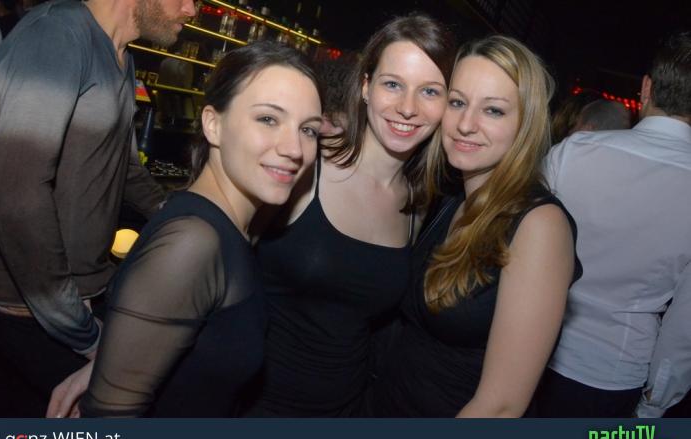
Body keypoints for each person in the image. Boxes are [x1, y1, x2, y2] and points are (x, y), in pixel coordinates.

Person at [47, 41, 323, 418]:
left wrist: (120, 357)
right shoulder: (192, 243)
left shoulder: (236, 228)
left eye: (308, 129)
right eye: (268, 119)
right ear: (213, 124)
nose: (294, 148)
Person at [244, 14, 456, 417]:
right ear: (365, 86)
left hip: (344, 412)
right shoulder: (305, 162)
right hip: (252, 407)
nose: (407, 108)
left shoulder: (419, 201)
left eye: (430, 91)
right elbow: (216, 258)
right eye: (392, 84)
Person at [0, 0, 195, 417]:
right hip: (26, 311)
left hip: (78, 301)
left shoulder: (122, 56)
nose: (192, 10)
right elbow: (15, 197)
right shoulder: (56, 35)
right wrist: (79, 330)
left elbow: (124, 168)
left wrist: (185, 217)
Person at [366, 35, 582, 417]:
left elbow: (500, 407)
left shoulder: (539, 226)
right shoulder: (450, 201)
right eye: (457, 102)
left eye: (493, 110)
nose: (466, 124)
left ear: (525, 123)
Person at [535, 31, 691, 418]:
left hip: (531, 345)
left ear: (646, 88)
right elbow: (684, 326)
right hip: (615, 371)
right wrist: (655, 403)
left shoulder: (573, 153)